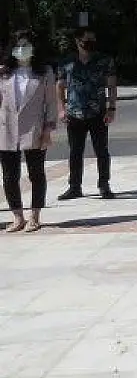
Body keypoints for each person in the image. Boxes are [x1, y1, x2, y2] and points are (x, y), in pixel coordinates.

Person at [1, 30, 57, 233]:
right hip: (6, 130)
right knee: (9, 176)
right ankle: (17, 216)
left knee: (36, 173)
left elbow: (51, 102)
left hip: (34, 129)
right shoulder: (4, 73)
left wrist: (48, 128)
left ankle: (35, 215)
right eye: (18, 46)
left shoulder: (44, 72)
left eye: (26, 46)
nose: (22, 50)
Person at [56, 27, 117, 200]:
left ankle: (104, 185)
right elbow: (60, 86)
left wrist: (112, 108)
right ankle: (75, 186)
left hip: (98, 112)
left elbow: (111, 85)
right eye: (87, 39)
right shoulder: (67, 62)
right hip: (74, 113)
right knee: (75, 151)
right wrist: (61, 109)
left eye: (93, 39)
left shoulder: (104, 60)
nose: (90, 43)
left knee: (102, 150)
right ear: (77, 40)